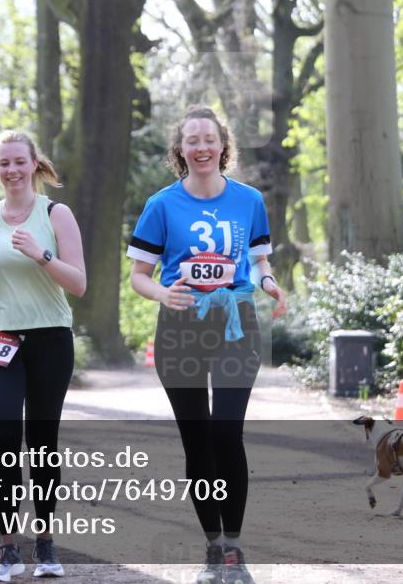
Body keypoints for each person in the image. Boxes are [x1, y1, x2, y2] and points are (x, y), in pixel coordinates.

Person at [127, 106, 287, 584]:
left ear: (223, 147)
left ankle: (235, 549)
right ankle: (213, 549)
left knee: (226, 433)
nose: (201, 147)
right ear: (181, 150)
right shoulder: (161, 205)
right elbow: (139, 276)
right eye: (191, 140)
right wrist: (163, 291)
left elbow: (258, 262)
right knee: (197, 443)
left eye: (209, 139)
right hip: (180, 328)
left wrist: (271, 283)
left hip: (235, 322)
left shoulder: (249, 200)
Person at [0, 130, 86, 581]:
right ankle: (7, 547)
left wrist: (42, 254)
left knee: (42, 440)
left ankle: (46, 544)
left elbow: (78, 283)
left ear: (34, 164)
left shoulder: (56, 213)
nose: (12, 170)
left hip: (50, 338)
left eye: (20, 161)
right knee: (5, 436)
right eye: (4, 163)